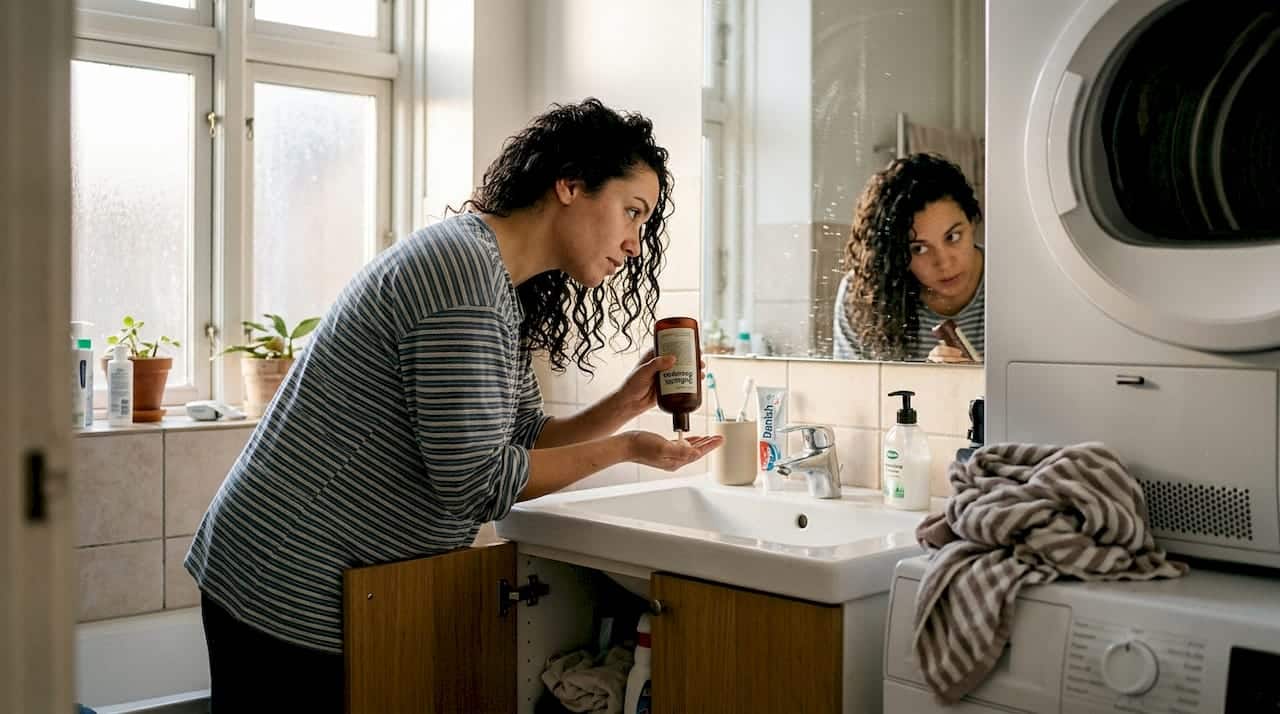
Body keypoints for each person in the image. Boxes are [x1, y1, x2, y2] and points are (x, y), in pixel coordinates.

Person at [185, 98, 723, 712]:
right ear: (570, 184)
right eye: (632, 212)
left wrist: (622, 408)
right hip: (287, 577)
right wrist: (626, 449)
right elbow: (475, 484)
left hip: (330, 581)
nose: (634, 243)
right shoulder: (461, 274)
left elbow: (520, 435)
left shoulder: (494, 280)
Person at [832, 153, 984, 362]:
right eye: (919, 249)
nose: (944, 262)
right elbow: (852, 390)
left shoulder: (1014, 282)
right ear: (896, 253)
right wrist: (928, 387)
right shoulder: (863, 295)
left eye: (953, 237)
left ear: (972, 223)